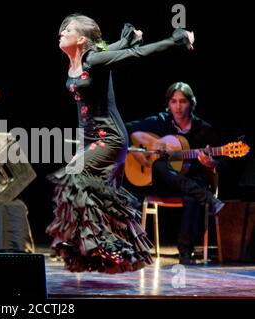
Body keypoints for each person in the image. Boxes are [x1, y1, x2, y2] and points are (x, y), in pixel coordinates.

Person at [46, 13, 195, 273]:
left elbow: (136, 55)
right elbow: (114, 47)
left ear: (80, 39)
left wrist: (175, 41)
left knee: (74, 178)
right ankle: (98, 249)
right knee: (90, 195)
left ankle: (93, 245)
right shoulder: (81, 60)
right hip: (90, 139)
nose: (61, 34)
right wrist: (128, 39)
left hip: (110, 138)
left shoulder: (94, 60)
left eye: (67, 30)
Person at [125, 82, 224, 265]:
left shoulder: (205, 130)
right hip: (166, 184)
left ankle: (185, 253)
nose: (178, 107)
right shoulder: (161, 121)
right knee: (159, 166)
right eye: (173, 101)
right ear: (168, 104)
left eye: (183, 101)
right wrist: (144, 150)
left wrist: (211, 164)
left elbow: (220, 164)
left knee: (192, 195)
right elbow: (128, 129)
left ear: (191, 103)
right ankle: (207, 198)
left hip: (191, 182)